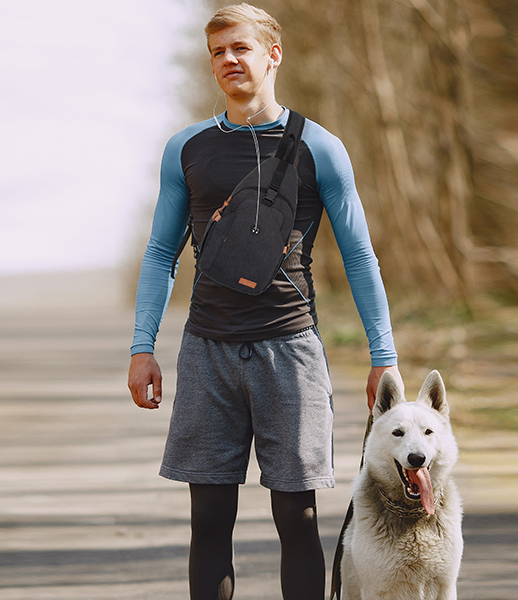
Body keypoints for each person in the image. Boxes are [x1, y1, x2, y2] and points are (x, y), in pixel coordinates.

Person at [127, 4, 397, 599]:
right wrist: (142, 348)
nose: (228, 60)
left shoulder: (321, 147)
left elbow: (359, 256)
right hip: (208, 351)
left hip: (290, 352)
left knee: (297, 518)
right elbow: (161, 253)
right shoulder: (187, 148)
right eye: (218, 52)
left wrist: (384, 355)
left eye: (240, 48)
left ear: (273, 55)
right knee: (208, 521)